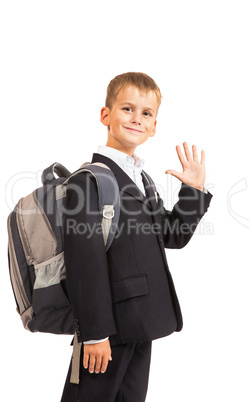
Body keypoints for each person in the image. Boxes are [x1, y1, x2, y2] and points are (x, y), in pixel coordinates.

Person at [61, 72, 213, 402]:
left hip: (143, 320)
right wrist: (95, 332)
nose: (136, 118)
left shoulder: (143, 179)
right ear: (106, 115)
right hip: (107, 328)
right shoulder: (87, 181)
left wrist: (193, 191)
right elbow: (85, 264)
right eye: (127, 108)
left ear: (154, 126)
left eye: (146, 113)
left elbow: (172, 235)